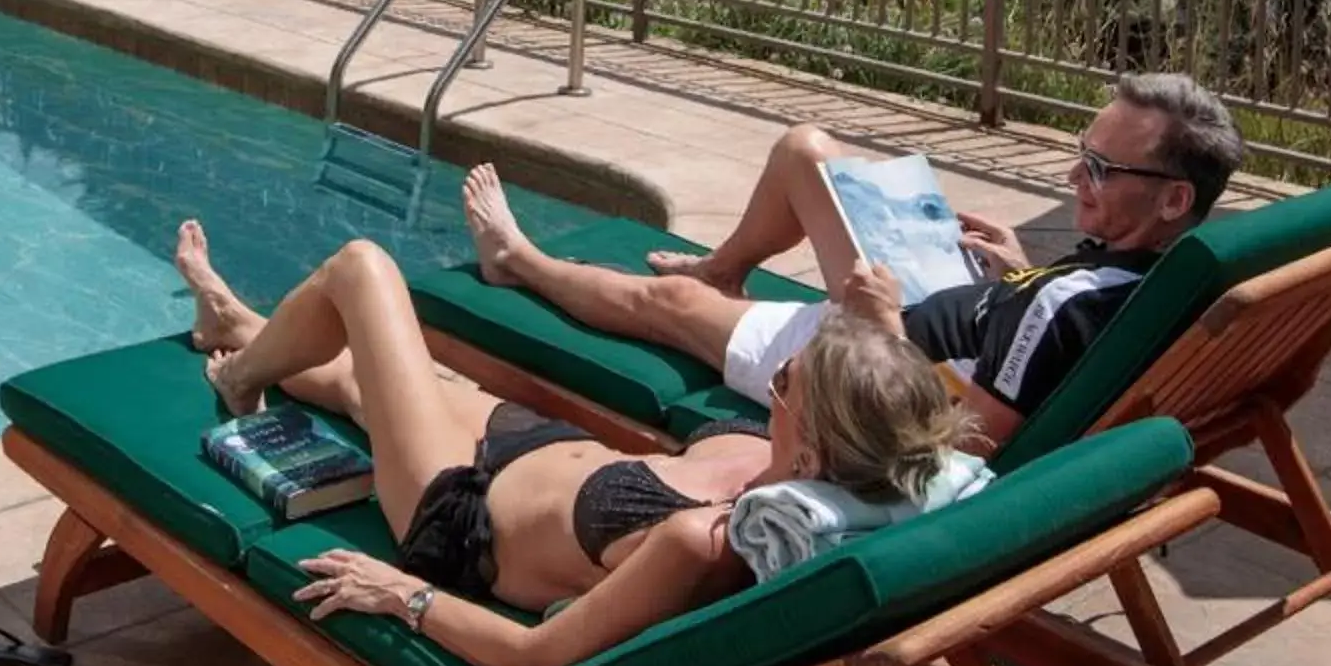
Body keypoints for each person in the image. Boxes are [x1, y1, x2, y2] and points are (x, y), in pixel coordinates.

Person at [177, 221, 968, 666]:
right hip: (535, 451)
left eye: (788, 379)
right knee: (362, 382)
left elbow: (537, 656)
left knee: (362, 269)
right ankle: (238, 323)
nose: (777, 379)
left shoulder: (704, 539)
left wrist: (402, 595)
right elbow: (905, 424)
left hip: (458, 515)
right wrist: (883, 332)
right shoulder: (816, 463)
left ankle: (242, 377)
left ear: (817, 449)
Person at [459, 72, 1247, 450]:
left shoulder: (1067, 305)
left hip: (879, 359)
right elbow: (1041, 335)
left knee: (662, 309)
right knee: (810, 151)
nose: (1075, 178)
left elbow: (975, 444)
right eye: (1083, 155)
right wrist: (1013, 275)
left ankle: (517, 260)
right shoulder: (1149, 275)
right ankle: (724, 270)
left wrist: (880, 326)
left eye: (1101, 171)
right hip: (948, 311)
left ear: (1175, 200)